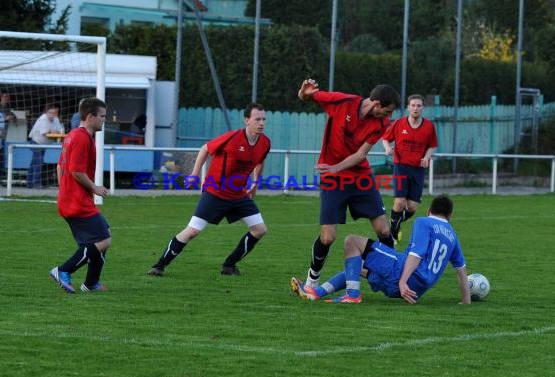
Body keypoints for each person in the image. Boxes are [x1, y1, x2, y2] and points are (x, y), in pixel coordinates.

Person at [296, 78, 400, 289]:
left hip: (360, 177)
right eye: (387, 111)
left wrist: (336, 167)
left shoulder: (381, 124)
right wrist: (303, 92)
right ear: (376, 103)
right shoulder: (342, 102)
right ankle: (311, 282)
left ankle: (396, 277)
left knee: (383, 230)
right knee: (328, 237)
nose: (389, 117)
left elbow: (361, 154)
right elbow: (307, 96)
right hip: (333, 179)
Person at [147, 103, 270, 277]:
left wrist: (255, 183)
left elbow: (260, 160)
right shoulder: (232, 137)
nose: (261, 123)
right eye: (257, 119)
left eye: (264, 119)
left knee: (260, 229)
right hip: (215, 192)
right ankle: (159, 265)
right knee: (193, 230)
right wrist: (195, 174)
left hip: (239, 194)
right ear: (247, 120)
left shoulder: (265, 142)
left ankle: (229, 265)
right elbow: (205, 148)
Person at [291, 194, 471, 304]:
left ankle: (352, 296)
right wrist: (466, 302)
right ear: (450, 216)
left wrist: (403, 281)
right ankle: (316, 293)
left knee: (352, 242)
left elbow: (417, 254)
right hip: (415, 292)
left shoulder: (424, 222)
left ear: (429, 210)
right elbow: (462, 272)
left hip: (401, 278)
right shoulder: (453, 237)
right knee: (357, 268)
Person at [49, 97, 111, 293]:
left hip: (70, 200)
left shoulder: (72, 135)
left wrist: (64, 191)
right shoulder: (82, 137)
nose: (104, 120)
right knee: (103, 240)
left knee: (100, 238)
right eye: (102, 116)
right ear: (90, 116)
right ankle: (63, 270)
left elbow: (60, 166)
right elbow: (75, 170)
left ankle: (91, 283)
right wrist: (95, 188)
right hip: (77, 202)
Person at [382, 94, 438, 242]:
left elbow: (432, 145)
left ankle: (394, 224)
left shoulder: (429, 126)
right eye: (413, 105)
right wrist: (387, 148)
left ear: (423, 108)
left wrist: (426, 158)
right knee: (399, 202)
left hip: (417, 170)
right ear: (408, 108)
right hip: (401, 167)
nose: (415, 108)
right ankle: (392, 235)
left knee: (412, 207)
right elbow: (385, 139)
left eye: (418, 105)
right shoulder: (399, 124)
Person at [27, 103, 64, 188]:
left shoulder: (56, 119)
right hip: (36, 142)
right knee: (38, 162)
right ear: (46, 113)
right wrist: (52, 132)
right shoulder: (43, 119)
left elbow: (59, 132)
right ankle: (35, 183)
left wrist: (52, 131)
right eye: (50, 113)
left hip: (44, 144)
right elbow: (45, 133)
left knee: (34, 162)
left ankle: (30, 183)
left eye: (54, 113)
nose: (52, 115)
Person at [0, 93, 16, 185]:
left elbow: (12, 115)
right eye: (5, 96)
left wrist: (14, 119)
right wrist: (7, 118)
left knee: (2, 158)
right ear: (1, 97)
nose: (7, 98)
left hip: (3, 136)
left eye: (8, 97)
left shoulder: (7, 108)